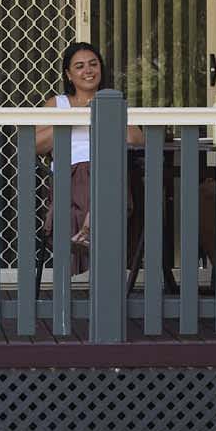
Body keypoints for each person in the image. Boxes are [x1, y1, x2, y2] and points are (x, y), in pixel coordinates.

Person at [33, 40, 142, 272]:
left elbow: (136, 139)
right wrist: (75, 118)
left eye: (93, 64)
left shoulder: (113, 102)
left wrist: (104, 117)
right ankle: (90, 229)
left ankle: (89, 230)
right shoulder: (58, 104)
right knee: (92, 171)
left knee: (107, 167)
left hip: (111, 169)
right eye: (80, 66)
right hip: (71, 173)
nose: (88, 70)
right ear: (69, 74)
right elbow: (36, 144)